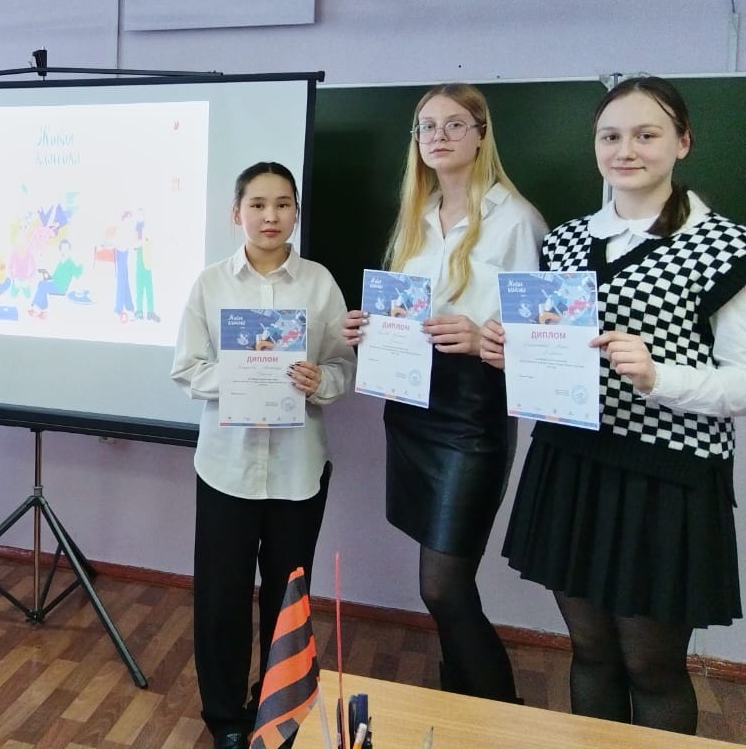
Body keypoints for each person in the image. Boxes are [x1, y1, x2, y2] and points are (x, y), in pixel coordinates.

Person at [483, 75, 746, 733]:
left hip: (667, 475)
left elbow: (742, 383)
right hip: (572, 462)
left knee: (652, 667)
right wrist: (513, 353)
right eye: (610, 136)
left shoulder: (726, 248)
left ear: (683, 142)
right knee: (591, 652)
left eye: (645, 134)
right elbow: (553, 349)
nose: (625, 150)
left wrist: (660, 377)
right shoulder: (567, 241)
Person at [341, 83, 545, 702]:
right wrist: (368, 329)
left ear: (481, 135)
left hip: (473, 412)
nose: (439, 136)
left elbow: (544, 341)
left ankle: (501, 719)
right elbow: (408, 314)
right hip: (411, 406)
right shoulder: (417, 216)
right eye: (427, 126)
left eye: (455, 124)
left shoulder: (517, 219)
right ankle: (462, 710)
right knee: (443, 587)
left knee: (442, 586)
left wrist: (482, 337)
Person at [172, 161, 355, 749]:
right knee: (221, 599)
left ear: (296, 212)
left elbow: (343, 367)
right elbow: (187, 368)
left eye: (282, 204)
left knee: (287, 598)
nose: (270, 216)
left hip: (299, 468)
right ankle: (226, 719)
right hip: (226, 467)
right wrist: (244, 373)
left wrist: (318, 380)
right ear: (237, 213)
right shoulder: (210, 284)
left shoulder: (320, 284)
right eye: (257, 204)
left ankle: (277, 711)